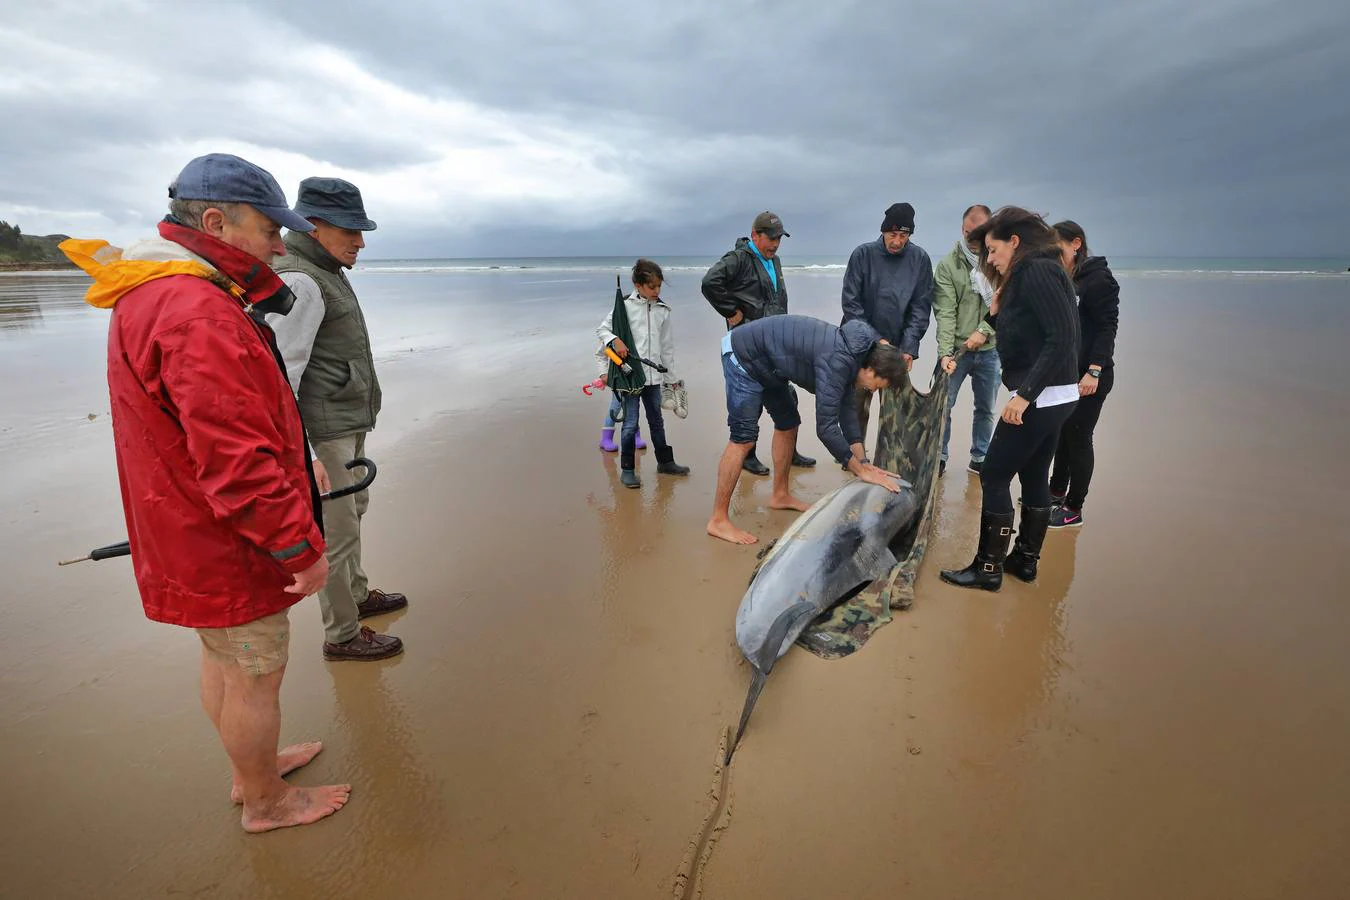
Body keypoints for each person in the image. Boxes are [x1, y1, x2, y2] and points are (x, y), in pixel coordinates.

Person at [61, 153, 350, 831]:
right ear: (216, 221)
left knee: (224, 662)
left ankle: (252, 770)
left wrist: (299, 459)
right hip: (227, 541)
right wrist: (298, 547)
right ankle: (267, 802)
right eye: (269, 230)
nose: (281, 246)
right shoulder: (197, 311)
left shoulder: (154, 289)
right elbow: (236, 463)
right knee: (255, 673)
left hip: (186, 529)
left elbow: (222, 426)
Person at [267, 178, 405, 662]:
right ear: (314, 225)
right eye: (351, 229)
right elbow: (280, 375)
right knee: (337, 533)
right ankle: (342, 634)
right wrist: (304, 454)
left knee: (353, 516)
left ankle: (359, 597)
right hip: (324, 433)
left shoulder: (324, 268)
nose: (361, 241)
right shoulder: (300, 279)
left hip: (344, 423)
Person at [940, 207, 1081, 590]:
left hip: (1042, 396)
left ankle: (987, 569)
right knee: (1035, 473)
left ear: (1014, 242)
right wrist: (997, 314)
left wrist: (1025, 397)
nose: (989, 258)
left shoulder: (1037, 271)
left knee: (994, 473)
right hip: (1055, 396)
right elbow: (1032, 330)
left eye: (993, 249)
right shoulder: (1034, 272)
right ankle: (1025, 561)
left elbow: (1062, 338)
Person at [706, 314, 908, 545]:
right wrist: (860, 472)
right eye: (876, 386)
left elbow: (847, 413)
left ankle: (780, 495)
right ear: (871, 370)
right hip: (743, 356)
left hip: (771, 364)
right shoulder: (838, 363)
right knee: (743, 439)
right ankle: (718, 519)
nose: (871, 391)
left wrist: (862, 463)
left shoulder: (859, 353)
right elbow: (826, 427)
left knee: (788, 423)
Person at [701, 211, 816, 475]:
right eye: (771, 238)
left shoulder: (773, 260)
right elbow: (710, 282)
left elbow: (776, 298)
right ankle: (748, 456)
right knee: (749, 403)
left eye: (779, 239)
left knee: (788, 397)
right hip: (750, 345)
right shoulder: (739, 259)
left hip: (776, 342)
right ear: (755, 235)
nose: (775, 244)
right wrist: (731, 311)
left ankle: (790, 450)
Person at [840, 202, 934, 450]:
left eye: (903, 236)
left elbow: (920, 308)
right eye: (892, 234)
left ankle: (890, 457)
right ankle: (854, 458)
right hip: (861, 346)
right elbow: (851, 304)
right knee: (857, 404)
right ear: (883, 231)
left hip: (898, 349)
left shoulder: (920, 259)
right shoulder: (862, 255)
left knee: (895, 411)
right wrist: (875, 341)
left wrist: (909, 347)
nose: (897, 241)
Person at [1047, 220, 1120, 529]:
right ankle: (1055, 492)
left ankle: (1074, 507)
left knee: (1079, 437)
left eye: (1058, 248)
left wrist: (1094, 369)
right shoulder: (1067, 277)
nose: (1054, 254)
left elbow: (1107, 327)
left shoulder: (1099, 279)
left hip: (1092, 377)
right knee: (1063, 433)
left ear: (1076, 244)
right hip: (1068, 373)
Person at [595, 258, 691, 488]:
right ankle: (627, 469)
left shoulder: (663, 311)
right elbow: (602, 329)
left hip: (654, 377)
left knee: (657, 421)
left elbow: (667, 347)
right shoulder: (624, 307)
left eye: (659, 286)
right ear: (638, 285)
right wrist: (615, 340)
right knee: (630, 423)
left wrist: (671, 380)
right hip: (631, 377)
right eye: (652, 286)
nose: (657, 290)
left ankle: (665, 462)